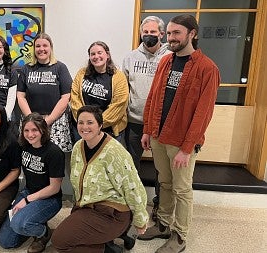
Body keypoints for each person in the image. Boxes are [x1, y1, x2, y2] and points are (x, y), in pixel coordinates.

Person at [138, 14, 220, 253]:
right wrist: (147, 130)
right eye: (170, 33)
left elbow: (203, 114)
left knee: (182, 189)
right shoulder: (165, 61)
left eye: (176, 33)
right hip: (158, 136)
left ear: (192, 34)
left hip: (181, 141)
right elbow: (153, 97)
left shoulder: (207, 69)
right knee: (164, 182)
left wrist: (186, 148)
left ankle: (180, 236)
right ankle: (163, 224)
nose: (171, 38)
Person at [52, 105, 149, 253]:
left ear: (100, 125)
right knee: (66, 238)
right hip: (88, 208)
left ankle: (105, 247)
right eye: (80, 122)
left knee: (59, 242)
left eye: (90, 122)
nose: (84, 127)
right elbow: (78, 182)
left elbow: (133, 187)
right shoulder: (78, 147)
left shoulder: (115, 152)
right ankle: (106, 247)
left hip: (113, 213)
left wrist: (140, 220)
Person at [122, 16, 171, 222]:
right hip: (134, 121)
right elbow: (123, 89)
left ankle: (160, 206)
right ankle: (134, 202)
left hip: (162, 123)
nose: (149, 36)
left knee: (163, 168)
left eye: (153, 32)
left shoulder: (170, 57)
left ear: (161, 34)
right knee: (131, 165)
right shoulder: (130, 58)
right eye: (145, 32)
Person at [0, 113, 65, 253]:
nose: (30, 134)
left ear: (43, 130)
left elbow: (54, 188)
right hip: (29, 191)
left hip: (50, 199)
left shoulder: (54, 152)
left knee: (19, 224)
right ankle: (32, 220)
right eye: (26, 130)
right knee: (6, 241)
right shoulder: (24, 146)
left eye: (34, 130)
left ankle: (43, 233)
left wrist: (27, 201)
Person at [16, 33, 73, 152]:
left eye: (45, 46)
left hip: (55, 121)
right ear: (34, 49)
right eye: (38, 46)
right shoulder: (26, 69)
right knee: (32, 156)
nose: (41, 49)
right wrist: (32, 120)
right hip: (30, 122)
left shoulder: (60, 68)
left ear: (50, 48)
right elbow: (20, 96)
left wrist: (47, 121)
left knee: (54, 158)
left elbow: (66, 97)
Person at [71, 41, 129, 143]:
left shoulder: (119, 77)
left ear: (107, 55)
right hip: (83, 130)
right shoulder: (81, 74)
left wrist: (95, 124)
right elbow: (75, 98)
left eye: (99, 53)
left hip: (109, 131)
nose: (96, 56)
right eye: (92, 54)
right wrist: (85, 123)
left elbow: (119, 105)